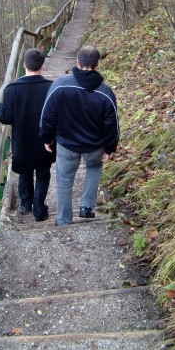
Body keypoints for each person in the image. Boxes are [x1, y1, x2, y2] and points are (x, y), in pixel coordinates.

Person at [40, 45, 119, 226]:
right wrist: (110, 147)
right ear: (98, 64)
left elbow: (47, 116)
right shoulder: (105, 92)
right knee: (93, 168)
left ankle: (63, 219)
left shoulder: (60, 85)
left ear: (77, 61)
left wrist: (46, 138)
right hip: (94, 145)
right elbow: (111, 124)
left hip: (67, 144)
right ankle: (86, 207)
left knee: (64, 180)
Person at [0, 48, 56, 222]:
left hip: (23, 142)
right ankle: (39, 207)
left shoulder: (12, 89)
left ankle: (26, 204)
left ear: (24, 65)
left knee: (24, 171)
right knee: (43, 172)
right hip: (44, 140)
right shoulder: (51, 87)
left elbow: (6, 117)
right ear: (42, 66)